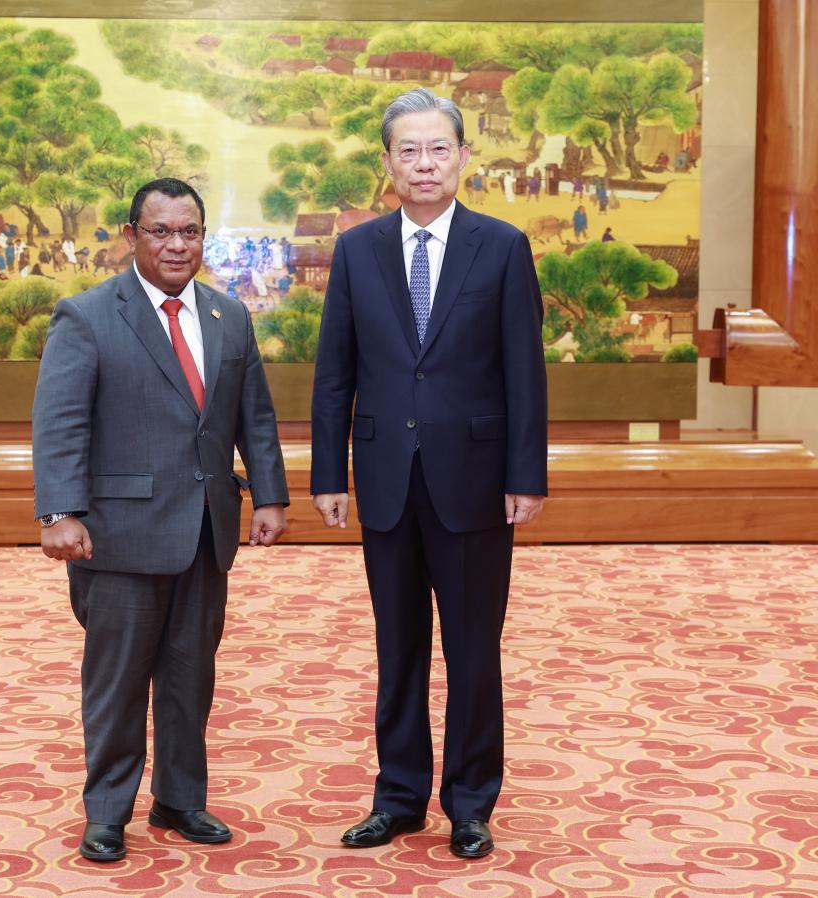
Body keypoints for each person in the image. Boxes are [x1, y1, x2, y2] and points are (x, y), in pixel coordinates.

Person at [310, 88, 547, 860]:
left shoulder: (503, 246)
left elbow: (524, 371)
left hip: (476, 479)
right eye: (407, 150)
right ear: (387, 162)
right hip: (384, 477)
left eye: (437, 149)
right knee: (398, 645)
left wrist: (526, 474)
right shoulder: (357, 249)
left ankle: (471, 803)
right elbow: (334, 373)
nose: (423, 163)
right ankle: (399, 798)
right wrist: (327, 474)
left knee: (474, 650)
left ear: (462, 158)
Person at [32, 177, 289, 863]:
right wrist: (58, 511)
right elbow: (60, 423)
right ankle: (108, 811)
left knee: (188, 678)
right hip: (119, 535)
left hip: (207, 532)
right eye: (161, 231)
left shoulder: (228, 316)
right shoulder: (86, 316)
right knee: (116, 683)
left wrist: (269, 495)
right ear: (131, 235)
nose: (177, 245)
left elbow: (253, 416)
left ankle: (180, 801)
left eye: (190, 232)